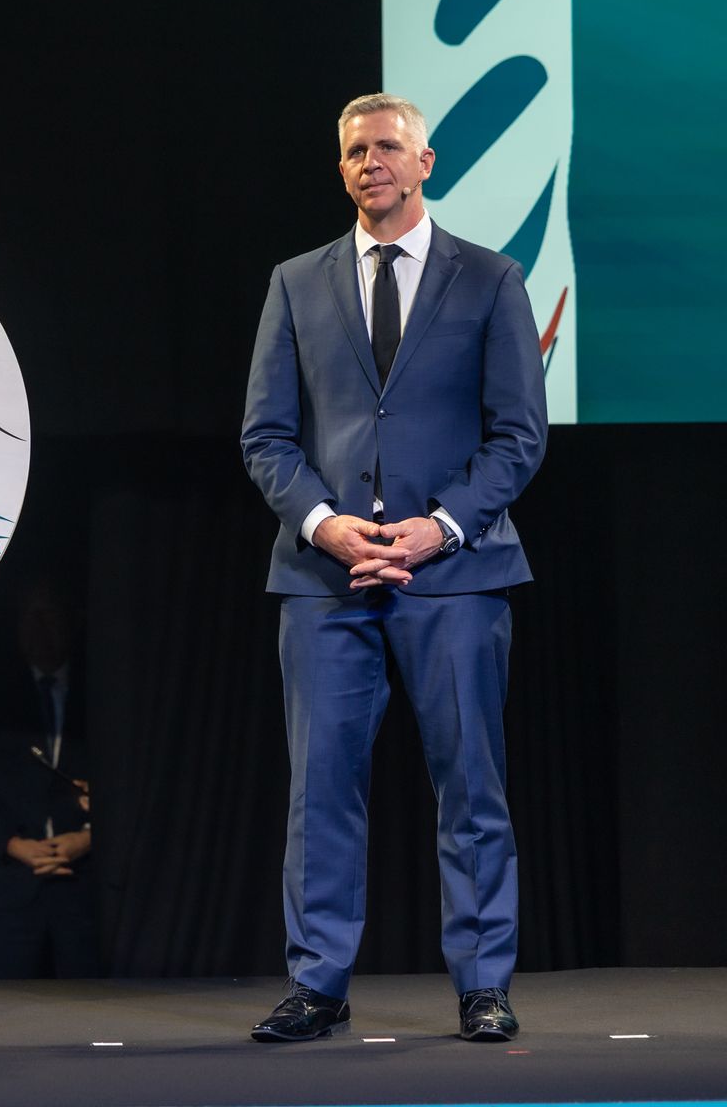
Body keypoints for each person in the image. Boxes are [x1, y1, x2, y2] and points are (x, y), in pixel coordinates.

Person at [240, 94, 546, 1042]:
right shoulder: (296, 282)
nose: (370, 162)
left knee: (471, 787)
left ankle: (484, 984)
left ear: (426, 163)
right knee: (322, 790)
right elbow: (266, 438)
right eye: (354, 152)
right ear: (342, 170)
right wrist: (327, 524)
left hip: (453, 578)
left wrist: (440, 528)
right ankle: (318, 984)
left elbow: (518, 437)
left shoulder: (490, 280)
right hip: (325, 581)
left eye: (387, 148)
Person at [0, 583, 97, 979]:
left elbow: (133, 780)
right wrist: (15, 844)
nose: (40, 627)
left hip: (81, 881)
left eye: (49, 615)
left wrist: (88, 837)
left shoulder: (104, 692)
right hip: (9, 884)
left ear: (72, 622)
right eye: (30, 616)